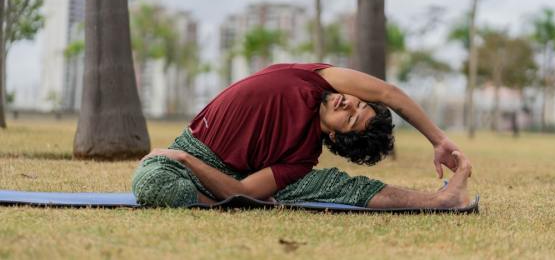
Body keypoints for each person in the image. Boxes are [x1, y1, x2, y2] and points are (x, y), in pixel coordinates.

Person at [132, 63, 472, 209]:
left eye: (351, 118)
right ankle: (213, 204)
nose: (348, 103)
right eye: (358, 104)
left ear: (338, 139)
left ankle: (440, 201)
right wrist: (438, 140)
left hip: (207, 168)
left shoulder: (301, 158)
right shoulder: (317, 80)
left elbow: (243, 190)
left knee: (341, 187)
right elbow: (388, 93)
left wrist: (184, 159)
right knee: (151, 181)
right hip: (195, 154)